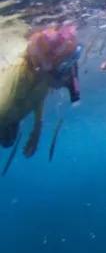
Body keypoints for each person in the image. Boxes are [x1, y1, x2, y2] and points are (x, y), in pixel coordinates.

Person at [0, 20, 81, 159]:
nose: (64, 81)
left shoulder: (36, 78)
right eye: (64, 69)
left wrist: (36, 131)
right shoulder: (11, 104)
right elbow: (37, 99)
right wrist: (37, 131)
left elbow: (36, 98)